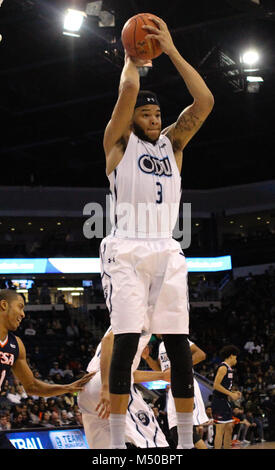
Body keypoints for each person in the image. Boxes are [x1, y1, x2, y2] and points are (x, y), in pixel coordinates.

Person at [100, 15, 214, 449]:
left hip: (166, 248)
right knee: (127, 338)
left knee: (178, 343)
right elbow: (128, 92)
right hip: (127, 248)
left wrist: (171, 50)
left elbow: (204, 102)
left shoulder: (173, 144)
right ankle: (114, 446)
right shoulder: (118, 144)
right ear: (132, 120)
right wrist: (133, 57)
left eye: (157, 114)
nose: (153, 119)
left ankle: (184, 444)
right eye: (145, 114)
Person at [0, 289, 94, 449]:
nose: (23, 314)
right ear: (3, 305)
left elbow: (32, 386)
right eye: (20, 306)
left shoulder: (16, 345)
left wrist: (67, 387)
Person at [78, 326, 169, 448]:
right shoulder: (143, 313)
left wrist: (162, 376)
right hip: (109, 382)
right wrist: (106, 386)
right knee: (153, 440)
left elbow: (130, 374)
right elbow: (107, 341)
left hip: (88, 388)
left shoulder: (123, 320)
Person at [142, 337, 209, 449]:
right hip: (173, 388)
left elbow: (201, 354)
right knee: (175, 432)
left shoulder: (178, 337)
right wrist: (147, 358)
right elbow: (161, 370)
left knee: (189, 432)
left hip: (185, 384)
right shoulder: (162, 345)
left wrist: (179, 367)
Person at [211, 344, 242, 449]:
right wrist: (230, 394)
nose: (236, 359)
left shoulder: (229, 369)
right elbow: (216, 385)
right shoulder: (223, 368)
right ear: (231, 356)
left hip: (225, 401)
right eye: (236, 357)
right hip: (219, 401)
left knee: (229, 427)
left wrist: (234, 392)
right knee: (220, 430)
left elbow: (224, 387)